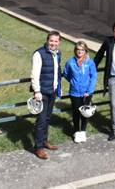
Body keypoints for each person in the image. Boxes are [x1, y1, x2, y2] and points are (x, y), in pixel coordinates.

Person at [31, 30, 62, 160]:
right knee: (41, 120)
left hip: (52, 91)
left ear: (59, 42)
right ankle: (38, 148)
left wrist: (58, 88)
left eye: (56, 41)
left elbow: (57, 72)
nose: (53, 43)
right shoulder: (39, 54)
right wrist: (36, 91)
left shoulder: (57, 54)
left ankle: (44, 141)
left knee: (48, 118)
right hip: (42, 92)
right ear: (47, 41)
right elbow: (35, 74)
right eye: (51, 41)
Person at [62, 40, 97, 143]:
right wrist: (73, 82)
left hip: (87, 92)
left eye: (82, 50)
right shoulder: (70, 62)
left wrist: (89, 90)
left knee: (85, 112)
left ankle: (83, 132)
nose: (80, 51)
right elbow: (66, 74)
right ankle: (77, 132)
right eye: (78, 49)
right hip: (75, 93)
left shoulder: (90, 62)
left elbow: (93, 77)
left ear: (85, 51)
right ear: (75, 50)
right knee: (76, 113)